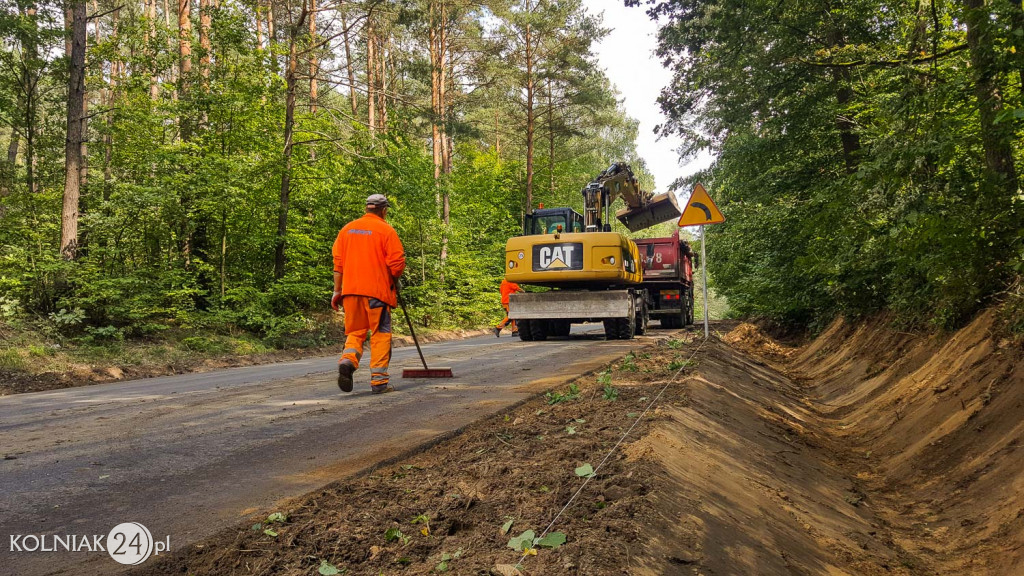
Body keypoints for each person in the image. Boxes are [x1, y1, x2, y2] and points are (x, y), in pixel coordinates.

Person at [331, 194, 406, 394]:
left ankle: (348, 361)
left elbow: (338, 265)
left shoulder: (346, 230)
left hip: (351, 292)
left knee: (355, 332)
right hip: (376, 294)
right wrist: (394, 279)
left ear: (367, 209)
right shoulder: (386, 230)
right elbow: (397, 263)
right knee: (380, 335)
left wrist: (337, 291)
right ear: (384, 210)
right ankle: (379, 381)